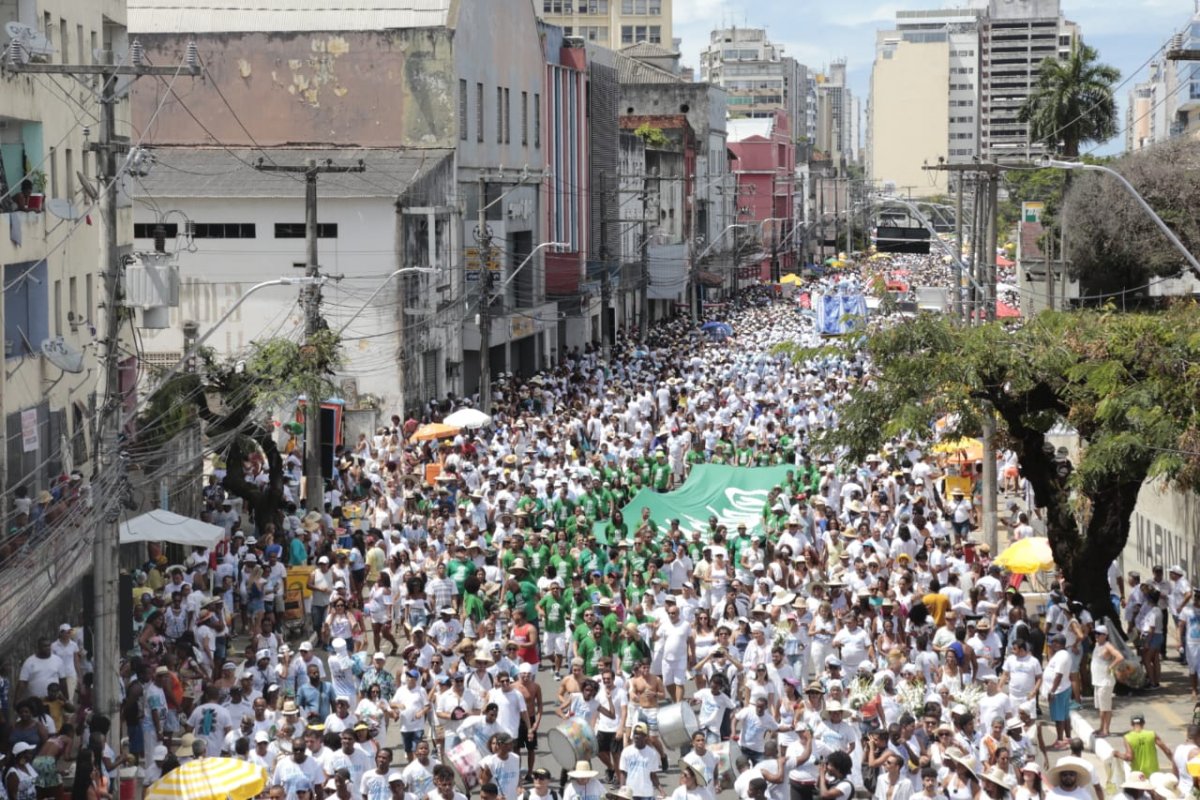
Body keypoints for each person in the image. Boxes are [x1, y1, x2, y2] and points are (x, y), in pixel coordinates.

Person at [1088, 626, 1122, 737]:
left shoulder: (1108, 646)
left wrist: (1110, 667)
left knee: (1105, 707)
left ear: (1105, 635)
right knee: (1101, 707)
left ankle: (1106, 730)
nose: (1096, 636)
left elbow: (1119, 657)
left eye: (1098, 634)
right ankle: (1101, 727)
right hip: (1097, 681)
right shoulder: (1097, 645)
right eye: (1095, 634)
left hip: (1105, 681)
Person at [618, 723, 662, 800]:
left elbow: (653, 776)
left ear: (645, 737)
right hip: (630, 793)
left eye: (640, 734)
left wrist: (661, 790)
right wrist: (622, 790)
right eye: (635, 733)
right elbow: (623, 773)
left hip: (646, 794)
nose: (636, 736)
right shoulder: (626, 752)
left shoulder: (652, 754)